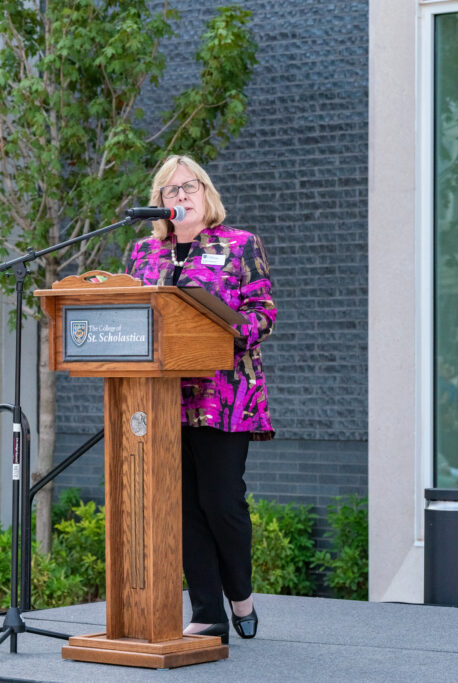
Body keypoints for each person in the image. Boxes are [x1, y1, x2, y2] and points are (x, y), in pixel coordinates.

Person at [126, 154, 276, 644]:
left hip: (225, 394)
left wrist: (226, 333)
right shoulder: (143, 255)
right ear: (159, 204)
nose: (181, 197)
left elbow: (262, 312)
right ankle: (208, 610)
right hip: (163, 396)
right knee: (182, 507)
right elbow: (133, 318)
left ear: (207, 194)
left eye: (189, 187)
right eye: (171, 191)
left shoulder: (239, 245)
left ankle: (241, 594)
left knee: (222, 503)